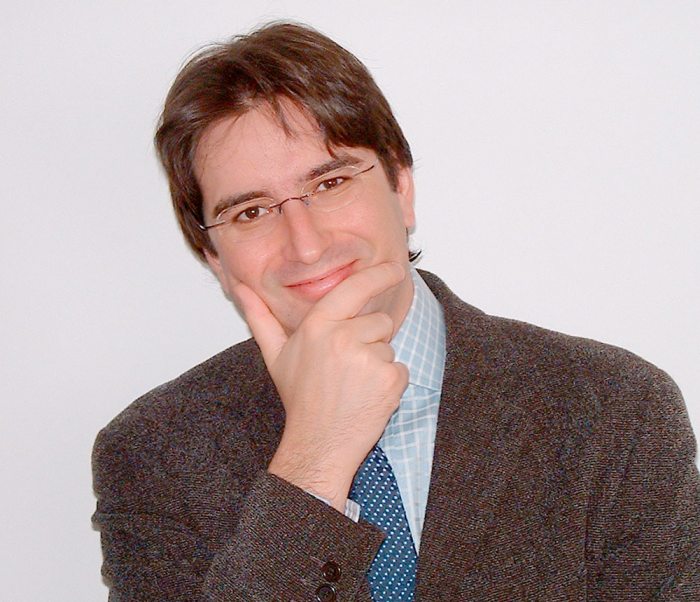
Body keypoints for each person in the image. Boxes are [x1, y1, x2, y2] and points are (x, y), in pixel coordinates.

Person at [92, 22, 700, 601]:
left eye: (330, 184)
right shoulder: (152, 455)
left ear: (401, 187)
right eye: (251, 212)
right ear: (213, 256)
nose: (306, 244)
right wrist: (314, 458)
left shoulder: (615, 410)